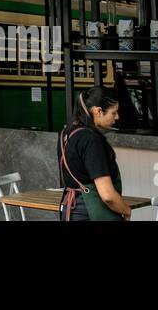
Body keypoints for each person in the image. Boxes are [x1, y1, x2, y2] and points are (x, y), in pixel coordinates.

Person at [57, 85, 134, 221]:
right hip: (91, 213)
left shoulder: (66, 133)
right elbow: (107, 195)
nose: (117, 117)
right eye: (113, 112)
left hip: (70, 210)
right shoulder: (91, 139)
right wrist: (126, 210)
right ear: (98, 111)